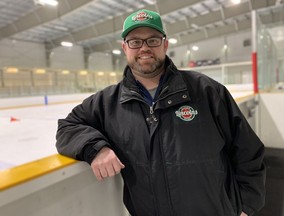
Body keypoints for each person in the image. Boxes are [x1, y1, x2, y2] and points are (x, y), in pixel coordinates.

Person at [56, 9, 266, 216]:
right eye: (135, 41)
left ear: (165, 44)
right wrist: (96, 149)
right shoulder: (107, 102)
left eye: (153, 40)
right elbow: (68, 126)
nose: (144, 48)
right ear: (124, 48)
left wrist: (247, 207)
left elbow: (249, 152)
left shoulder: (207, 91)